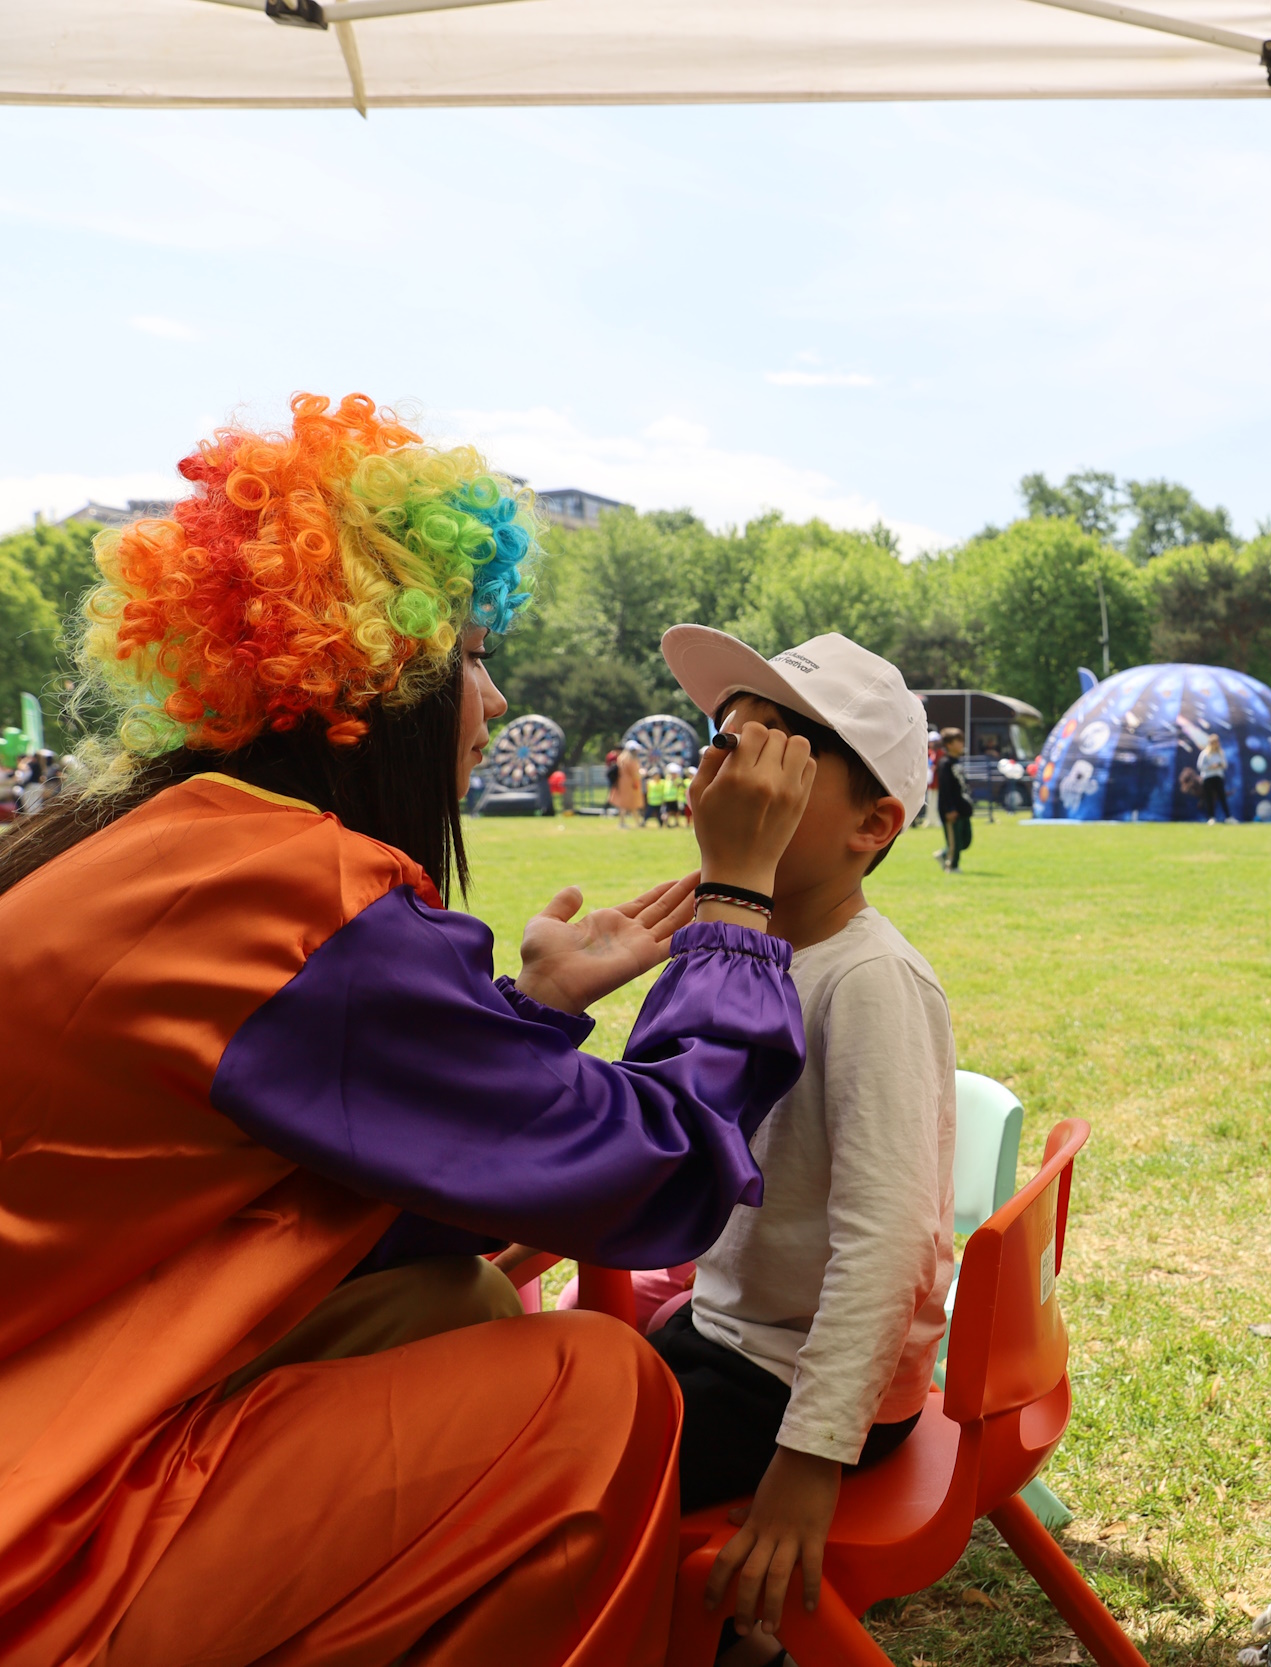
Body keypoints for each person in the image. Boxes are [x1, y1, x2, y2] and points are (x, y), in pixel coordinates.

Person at [0, 393, 816, 1666]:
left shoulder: (160, 844)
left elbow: (331, 1182)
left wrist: (533, 1013)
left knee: (451, 1296)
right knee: (598, 1384)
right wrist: (740, 906)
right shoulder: (291, 896)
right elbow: (657, 1173)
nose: (492, 699)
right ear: (384, 682)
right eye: (475, 658)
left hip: (58, 1391)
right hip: (47, 1523)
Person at [654, 626, 956, 1661]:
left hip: (801, 1384)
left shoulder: (869, 980)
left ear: (873, 823)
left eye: (778, 749)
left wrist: (812, 1453)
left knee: (569, 1483)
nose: (730, 767)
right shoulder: (738, 946)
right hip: (734, 1336)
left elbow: (892, 1239)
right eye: (724, 739)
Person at [934, 725, 972, 871]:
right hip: (951, 809)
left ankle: (943, 854)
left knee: (965, 841)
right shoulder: (945, 763)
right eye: (958, 741)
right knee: (954, 840)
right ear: (949, 745)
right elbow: (945, 789)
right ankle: (952, 866)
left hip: (962, 807)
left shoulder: (957, 762)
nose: (962, 744)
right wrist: (949, 809)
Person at [1198, 732, 1230, 822]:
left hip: (1218, 777)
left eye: (1216, 742)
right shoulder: (1204, 753)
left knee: (1222, 797)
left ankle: (1228, 817)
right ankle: (1211, 818)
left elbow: (1225, 765)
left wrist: (1219, 765)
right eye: (1213, 742)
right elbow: (1200, 766)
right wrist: (1210, 767)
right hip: (1208, 778)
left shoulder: (1221, 753)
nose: (1215, 744)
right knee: (1209, 798)